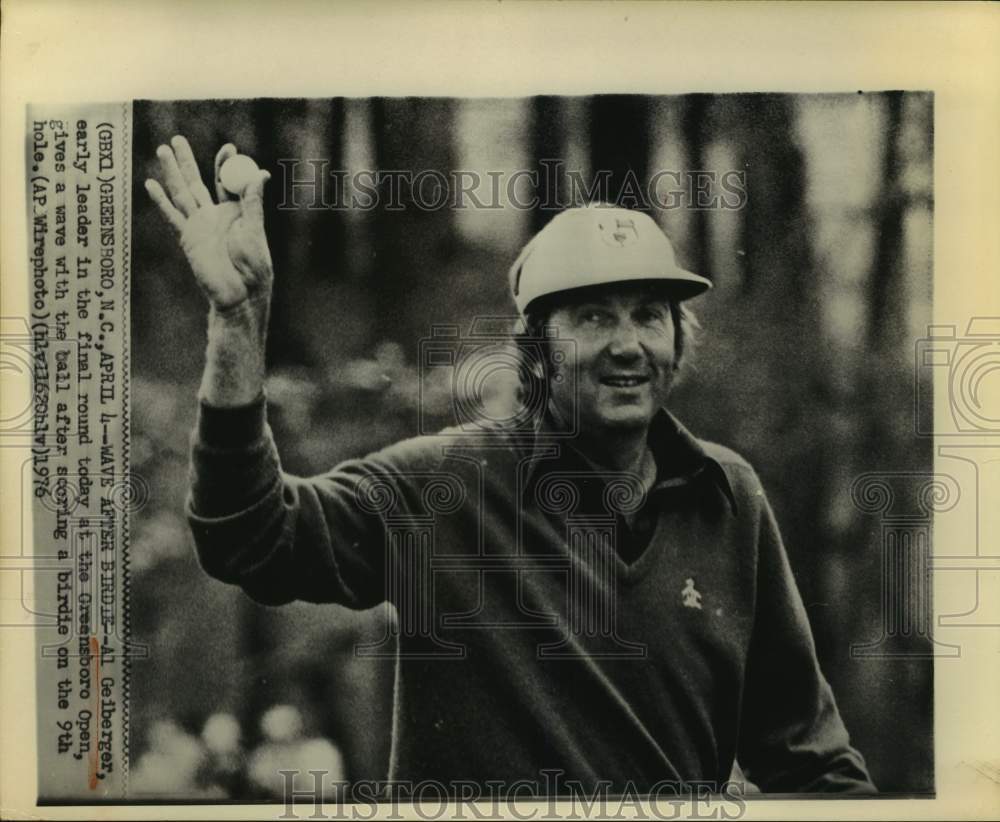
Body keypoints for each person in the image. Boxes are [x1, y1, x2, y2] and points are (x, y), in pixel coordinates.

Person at [146, 135, 876, 796]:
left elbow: (809, 761)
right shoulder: (443, 485)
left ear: (677, 341)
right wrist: (239, 326)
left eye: (650, 314)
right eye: (593, 317)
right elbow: (249, 535)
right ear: (535, 352)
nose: (629, 344)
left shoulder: (727, 495)